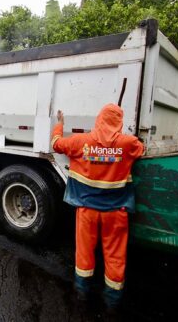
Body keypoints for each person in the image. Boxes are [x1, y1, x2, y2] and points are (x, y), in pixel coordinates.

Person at [51, 103, 144, 310]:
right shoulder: (128, 143)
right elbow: (141, 150)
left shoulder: (80, 141)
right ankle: (112, 301)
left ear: (99, 119)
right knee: (115, 256)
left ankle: (82, 293)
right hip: (116, 212)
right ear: (119, 122)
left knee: (84, 253)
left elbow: (56, 144)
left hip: (87, 211)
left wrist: (60, 124)